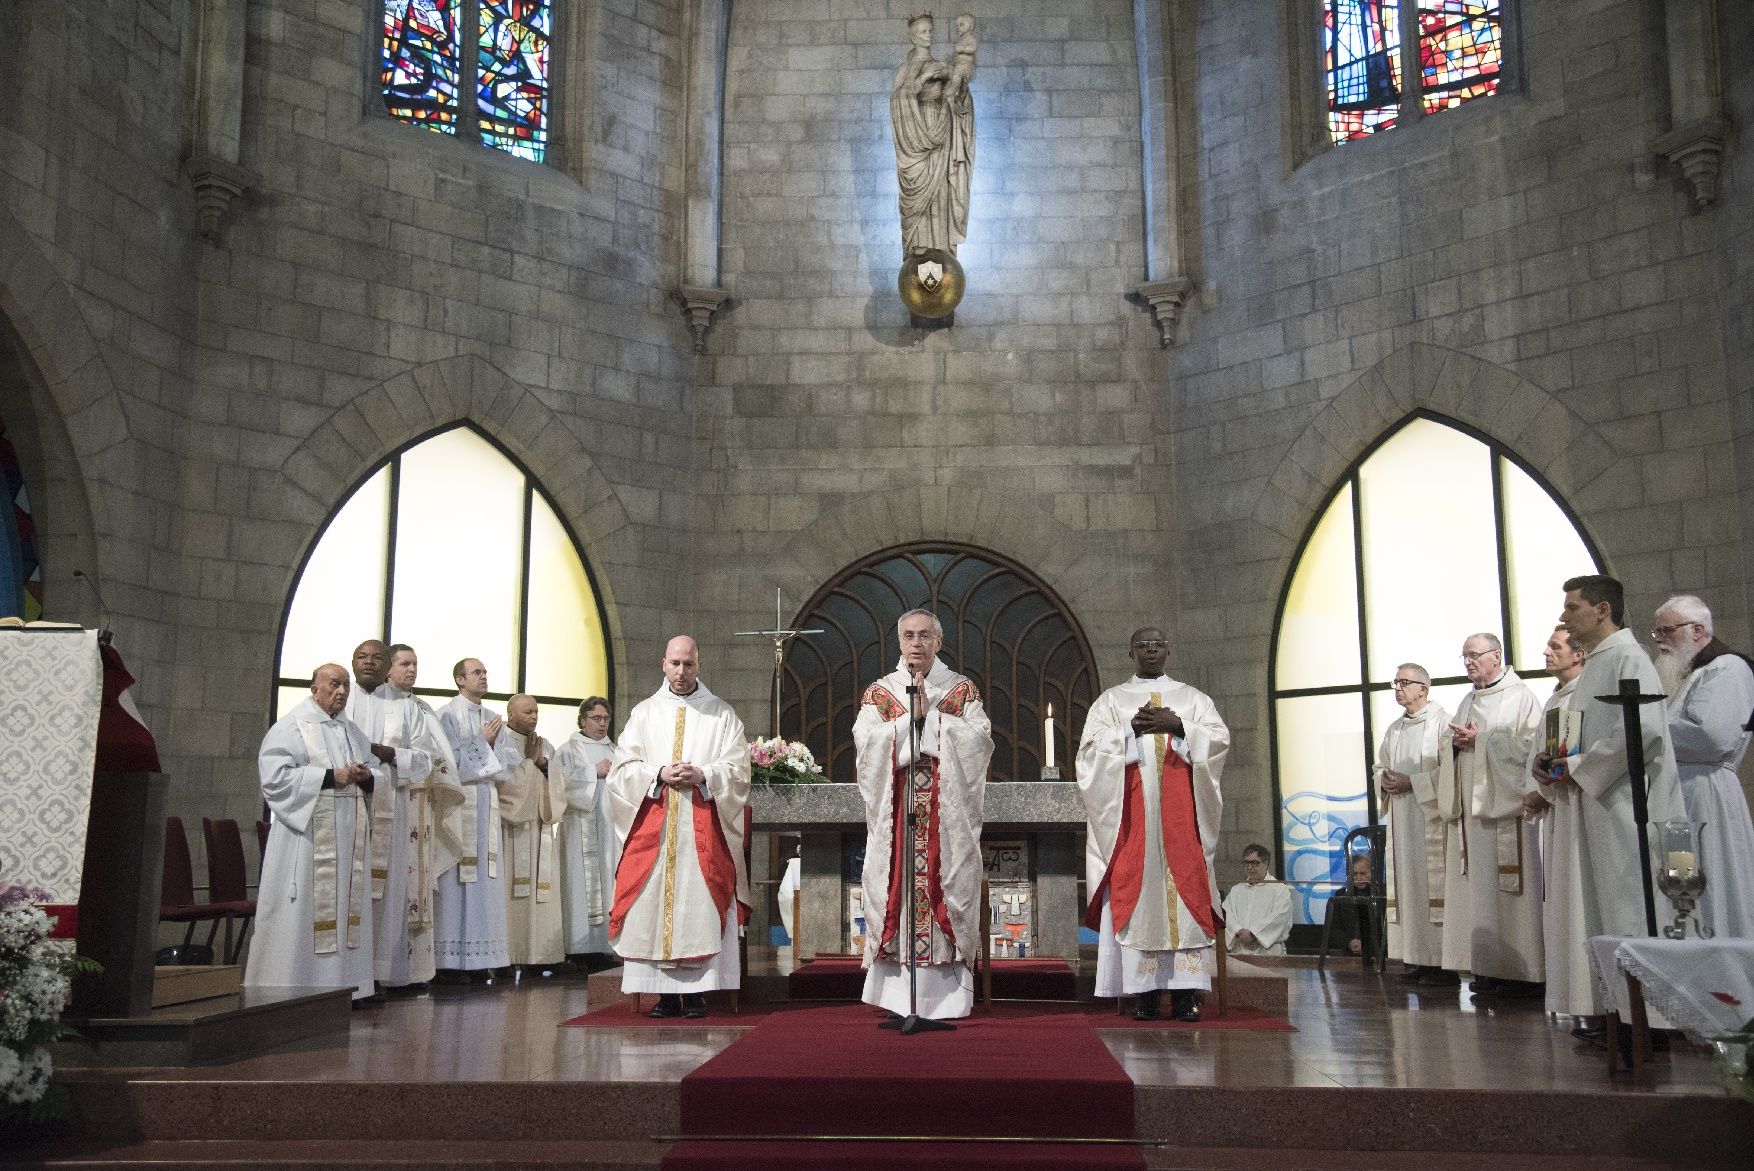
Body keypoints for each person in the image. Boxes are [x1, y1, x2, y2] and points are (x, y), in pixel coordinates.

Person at [1532, 575, 1684, 1037]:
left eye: (1572, 607)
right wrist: (1553, 763)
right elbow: (1581, 732)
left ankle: (1647, 1021)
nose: (1564, 617)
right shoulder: (1597, 663)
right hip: (1596, 803)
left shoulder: (1628, 658)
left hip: (1626, 807)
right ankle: (1616, 1011)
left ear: (1602, 610)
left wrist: (1577, 765)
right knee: (1601, 909)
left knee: (1629, 906)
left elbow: (1645, 732)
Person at [1077, 627, 1227, 1022]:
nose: (1150, 652)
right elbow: (1088, 753)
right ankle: (1144, 993)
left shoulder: (1193, 699)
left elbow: (1220, 741)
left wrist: (1179, 726)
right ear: (1130, 653)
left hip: (1181, 817)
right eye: (1142, 646)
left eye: (1157, 645)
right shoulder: (1111, 701)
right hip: (1133, 818)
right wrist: (1131, 730)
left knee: (1185, 890)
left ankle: (1185, 994)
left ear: (1168, 649)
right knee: (1139, 893)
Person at [853, 609, 992, 1020]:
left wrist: (931, 720)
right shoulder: (880, 693)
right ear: (899, 642)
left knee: (947, 887)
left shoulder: (961, 690)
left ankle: (945, 998)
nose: (916, 643)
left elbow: (980, 743)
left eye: (925, 636)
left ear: (939, 642)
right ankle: (899, 998)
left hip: (946, 828)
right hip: (897, 822)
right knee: (894, 890)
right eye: (909, 636)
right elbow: (865, 745)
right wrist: (907, 724)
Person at [608, 636, 751, 1019]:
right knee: (649, 905)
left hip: (702, 829)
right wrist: (657, 772)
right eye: (675, 663)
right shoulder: (644, 714)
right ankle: (663, 995)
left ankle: (697, 994)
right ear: (663, 664)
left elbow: (738, 771)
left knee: (699, 904)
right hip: (654, 828)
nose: (682, 672)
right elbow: (621, 771)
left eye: (689, 664)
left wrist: (704, 773)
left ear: (699, 665)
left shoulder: (721, 714)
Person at [246, 664, 386, 1001]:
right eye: (334, 684)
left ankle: (348, 988)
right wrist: (328, 777)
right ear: (315, 688)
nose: (341, 692)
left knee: (345, 910)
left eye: (345, 687)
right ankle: (295, 988)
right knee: (304, 913)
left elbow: (376, 772)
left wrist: (365, 775)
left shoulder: (352, 731)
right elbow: (274, 778)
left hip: (348, 838)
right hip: (307, 840)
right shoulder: (292, 727)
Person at [1442, 633, 1543, 998]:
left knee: (1510, 888)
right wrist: (1453, 745)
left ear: (1496, 656)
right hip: (1473, 815)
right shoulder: (1468, 700)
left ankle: (1522, 973)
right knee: (1479, 889)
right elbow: (1450, 747)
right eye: (1464, 656)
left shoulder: (1522, 698)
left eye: (1474, 655)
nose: (1468, 662)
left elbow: (1533, 749)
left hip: (1507, 813)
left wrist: (1481, 742)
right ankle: (1487, 968)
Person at [1650, 595, 1754, 938]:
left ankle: (1722, 954)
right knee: (1682, 884)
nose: (1660, 640)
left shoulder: (1727, 668)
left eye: (1667, 630)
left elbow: (1712, 736)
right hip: (1682, 792)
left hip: (1707, 792)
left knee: (1715, 880)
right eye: (1657, 633)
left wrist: (1649, 733)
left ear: (1697, 630)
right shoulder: (1687, 675)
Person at [369, 643, 466, 989]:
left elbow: (432, 757)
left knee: (415, 886)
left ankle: (412, 971)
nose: (411, 670)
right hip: (384, 806)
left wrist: (397, 755)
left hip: (417, 805)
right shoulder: (369, 705)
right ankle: (380, 971)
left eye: (415, 664)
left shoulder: (420, 708)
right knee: (387, 885)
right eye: (404, 664)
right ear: (388, 668)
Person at [433, 658, 520, 983]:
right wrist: (482, 742)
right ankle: (450, 964)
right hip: (459, 808)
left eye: (485, 672)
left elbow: (510, 763)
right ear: (459, 679)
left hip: (488, 806)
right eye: (477, 673)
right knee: (457, 881)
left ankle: (482, 959)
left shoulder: (491, 718)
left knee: (485, 879)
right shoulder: (446, 716)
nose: (484, 677)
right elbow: (447, 761)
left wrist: (493, 744)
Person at [1523, 625, 1590, 1017]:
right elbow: (1542, 754)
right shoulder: (1554, 700)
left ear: (1578, 654)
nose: (1546, 652)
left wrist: (1546, 784)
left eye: (1555, 646)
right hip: (1558, 811)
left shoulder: (1583, 693)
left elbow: (1574, 756)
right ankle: (1572, 1000)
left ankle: (1589, 1001)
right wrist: (1539, 781)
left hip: (1578, 809)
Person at [1374, 662, 1455, 985]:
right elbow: (1380, 763)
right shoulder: (1394, 729)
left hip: (1431, 820)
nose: (1398, 688)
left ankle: (1442, 966)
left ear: (1423, 687)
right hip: (1402, 822)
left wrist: (1415, 783)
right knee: (1408, 889)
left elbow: (1450, 771)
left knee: (1432, 886)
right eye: (1395, 682)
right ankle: (1417, 959)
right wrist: (1384, 780)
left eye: (1404, 682)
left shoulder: (1443, 724)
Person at [890, 13, 974, 258]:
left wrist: (960, 87)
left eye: (930, 31)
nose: (929, 35)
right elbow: (898, 99)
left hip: (941, 127)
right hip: (916, 134)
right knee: (918, 194)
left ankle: (940, 248)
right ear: (912, 37)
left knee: (941, 191)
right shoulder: (906, 69)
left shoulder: (943, 64)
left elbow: (957, 97)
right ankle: (918, 249)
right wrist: (925, 77)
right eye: (924, 31)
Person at [500, 693, 567, 972]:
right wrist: (529, 762)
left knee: (540, 898)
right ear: (510, 714)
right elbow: (507, 790)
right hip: (511, 832)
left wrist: (541, 764)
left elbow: (559, 785)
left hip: (539, 830)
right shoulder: (500, 743)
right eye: (527, 712)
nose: (533, 717)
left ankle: (539, 958)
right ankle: (507, 958)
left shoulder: (545, 744)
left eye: (536, 712)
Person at [554, 697, 618, 964]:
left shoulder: (616, 750)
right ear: (583, 720)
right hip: (578, 833)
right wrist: (594, 772)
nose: (602, 724)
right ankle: (578, 949)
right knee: (578, 884)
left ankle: (607, 945)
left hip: (610, 833)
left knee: (609, 882)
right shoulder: (568, 750)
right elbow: (559, 787)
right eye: (596, 719)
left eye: (605, 719)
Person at [1221, 844, 1289, 958]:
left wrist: (1253, 933)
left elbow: (1279, 917)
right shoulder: (1237, 890)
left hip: (1267, 952)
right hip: (1240, 950)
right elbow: (1226, 912)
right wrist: (1238, 930)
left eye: (1254, 863)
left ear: (1266, 864)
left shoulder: (1279, 889)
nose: (1249, 867)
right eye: (1246, 863)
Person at [1325, 853, 1377, 959]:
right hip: (1347, 956)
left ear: (1372, 873)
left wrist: (1367, 945)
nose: (1358, 878)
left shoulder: (1381, 895)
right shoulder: (1341, 895)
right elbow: (1332, 930)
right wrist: (1349, 943)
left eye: (1363, 873)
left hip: (1376, 955)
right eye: (1355, 874)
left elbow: (1385, 932)